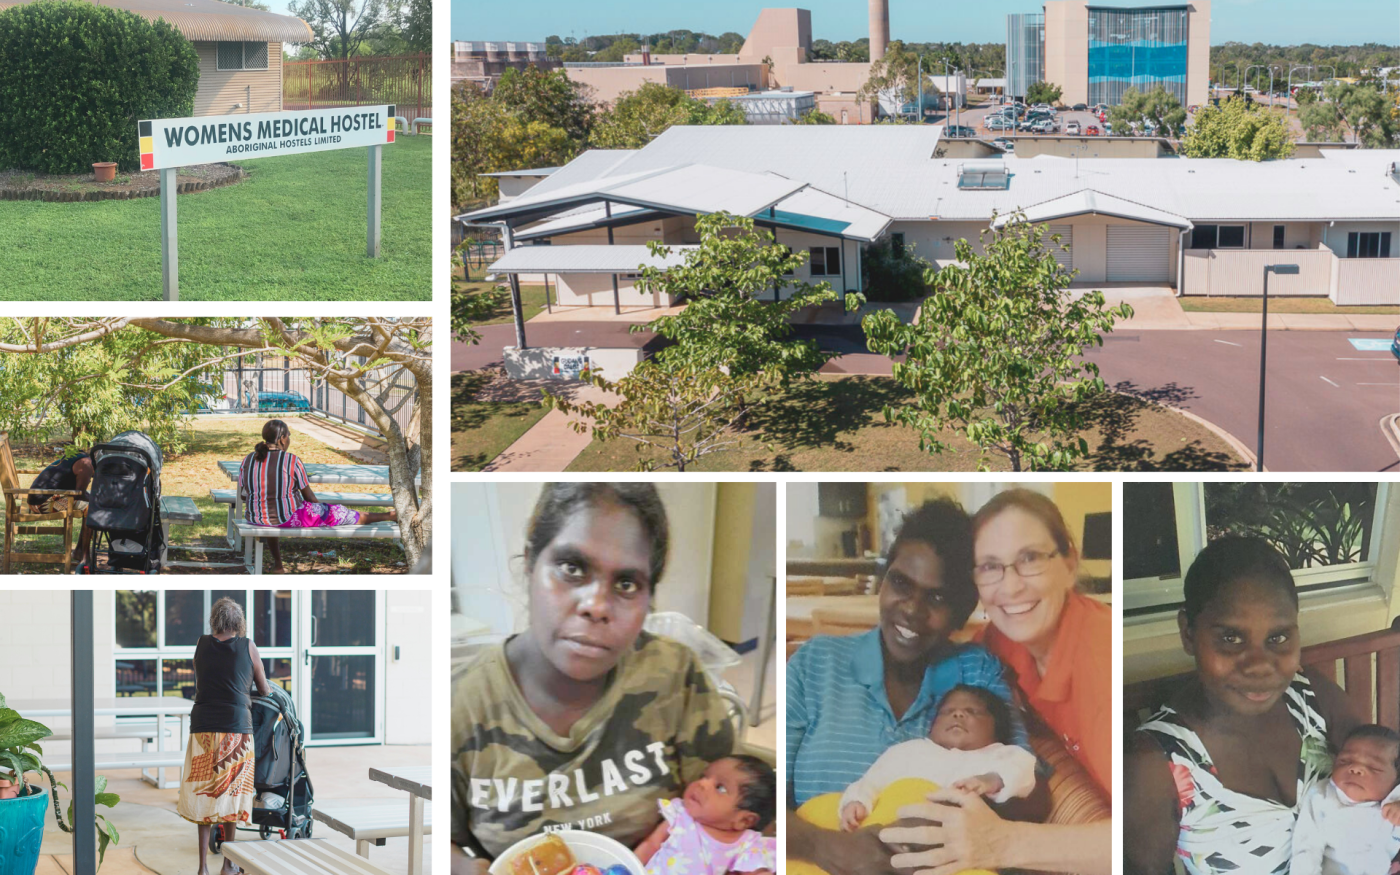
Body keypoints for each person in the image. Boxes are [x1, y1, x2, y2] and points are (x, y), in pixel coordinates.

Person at [450, 483, 737, 874]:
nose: (597, 606)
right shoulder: (458, 704)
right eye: (572, 568)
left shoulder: (675, 678)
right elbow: (438, 841)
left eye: (626, 584)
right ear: (531, 565)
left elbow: (730, 811)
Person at [785, 498, 1030, 875]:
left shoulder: (978, 673)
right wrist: (827, 847)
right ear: (883, 581)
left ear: (961, 611)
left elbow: (1024, 787)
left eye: (937, 597)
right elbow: (762, 796)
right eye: (901, 582)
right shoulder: (817, 663)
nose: (912, 609)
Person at [879, 488, 1114, 875]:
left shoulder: (1101, 660)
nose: (1010, 587)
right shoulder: (999, 644)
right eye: (989, 566)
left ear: (1070, 564)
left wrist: (1000, 843)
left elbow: (1132, 837)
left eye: (1031, 558)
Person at [1124, 537, 1360, 875]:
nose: (1259, 665)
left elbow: (1387, 771)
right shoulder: (1153, 765)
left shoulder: (1309, 696)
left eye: (1277, 638)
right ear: (1188, 633)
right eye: (1231, 638)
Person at [838, 685, 1037, 833]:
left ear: (997, 728)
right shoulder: (909, 751)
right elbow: (871, 781)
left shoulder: (1000, 755)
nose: (957, 714)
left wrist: (990, 780)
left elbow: (1023, 771)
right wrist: (857, 802)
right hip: (891, 835)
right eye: (947, 712)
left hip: (958, 843)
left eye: (972, 711)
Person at [176, 597, 272, 875]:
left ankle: (202, 867)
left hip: (203, 728)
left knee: (204, 794)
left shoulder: (201, 644)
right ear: (238, 622)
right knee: (233, 792)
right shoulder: (248, 646)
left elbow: (203, 678)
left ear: (215, 620)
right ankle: (229, 864)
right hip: (236, 730)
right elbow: (264, 688)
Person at [237, 419, 397, 573]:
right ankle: (390, 515)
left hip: (255, 517)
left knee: (275, 515)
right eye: (289, 436)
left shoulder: (248, 459)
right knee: (343, 513)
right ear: (282, 438)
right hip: (285, 518)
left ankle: (278, 565)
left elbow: (244, 495)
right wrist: (322, 510)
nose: (289, 440)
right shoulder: (291, 460)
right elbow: (309, 497)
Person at [634, 754, 777, 875]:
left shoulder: (748, 845)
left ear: (744, 820)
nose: (702, 783)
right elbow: (651, 845)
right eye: (704, 776)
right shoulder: (681, 814)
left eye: (720, 787)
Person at [1291, 724, 1400, 875]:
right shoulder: (1321, 796)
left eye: (1374, 767)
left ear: (1395, 778)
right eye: (1345, 761)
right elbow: (1306, 846)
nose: (1355, 768)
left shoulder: (1394, 801)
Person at [26, 446, 93, 563]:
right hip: (42, 503)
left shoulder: (80, 457)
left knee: (91, 502)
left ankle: (79, 551)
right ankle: (84, 556)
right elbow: (79, 494)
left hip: (36, 498)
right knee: (92, 508)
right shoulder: (86, 464)